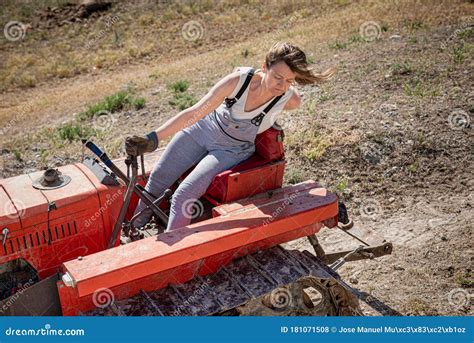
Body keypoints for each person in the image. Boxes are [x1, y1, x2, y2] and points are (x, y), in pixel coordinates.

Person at [125, 42, 334, 232]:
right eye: (277, 77)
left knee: (184, 195)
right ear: (264, 67)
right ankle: (134, 229)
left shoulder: (289, 100)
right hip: (203, 128)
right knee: (158, 178)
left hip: (232, 148)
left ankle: (168, 254)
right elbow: (195, 112)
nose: (281, 85)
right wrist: (153, 139)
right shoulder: (238, 81)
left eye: (289, 81)